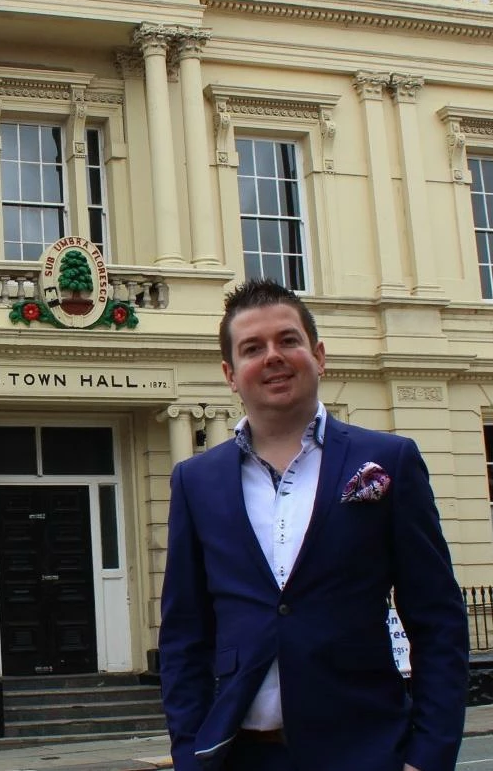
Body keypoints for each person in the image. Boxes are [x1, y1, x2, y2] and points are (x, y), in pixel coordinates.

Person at [158, 280, 468, 771]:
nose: (273, 356)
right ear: (230, 374)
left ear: (318, 354)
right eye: (253, 348)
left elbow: (438, 620)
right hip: (241, 755)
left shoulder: (389, 461)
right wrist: (190, 754)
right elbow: (184, 635)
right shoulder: (196, 481)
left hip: (366, 752)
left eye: (288, 340)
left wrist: (427, 757)